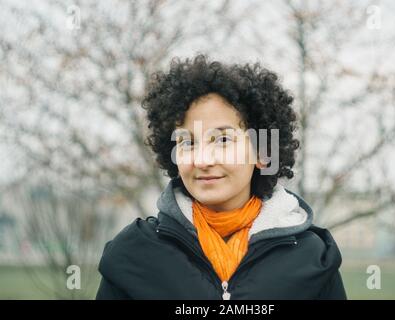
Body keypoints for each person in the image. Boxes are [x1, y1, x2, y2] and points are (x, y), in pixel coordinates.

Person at [96, 55, 347, 300]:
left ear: (262, 151)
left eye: (223, 140)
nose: (202, 160)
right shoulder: (132, 254)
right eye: (187, 142)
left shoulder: (314, 259)